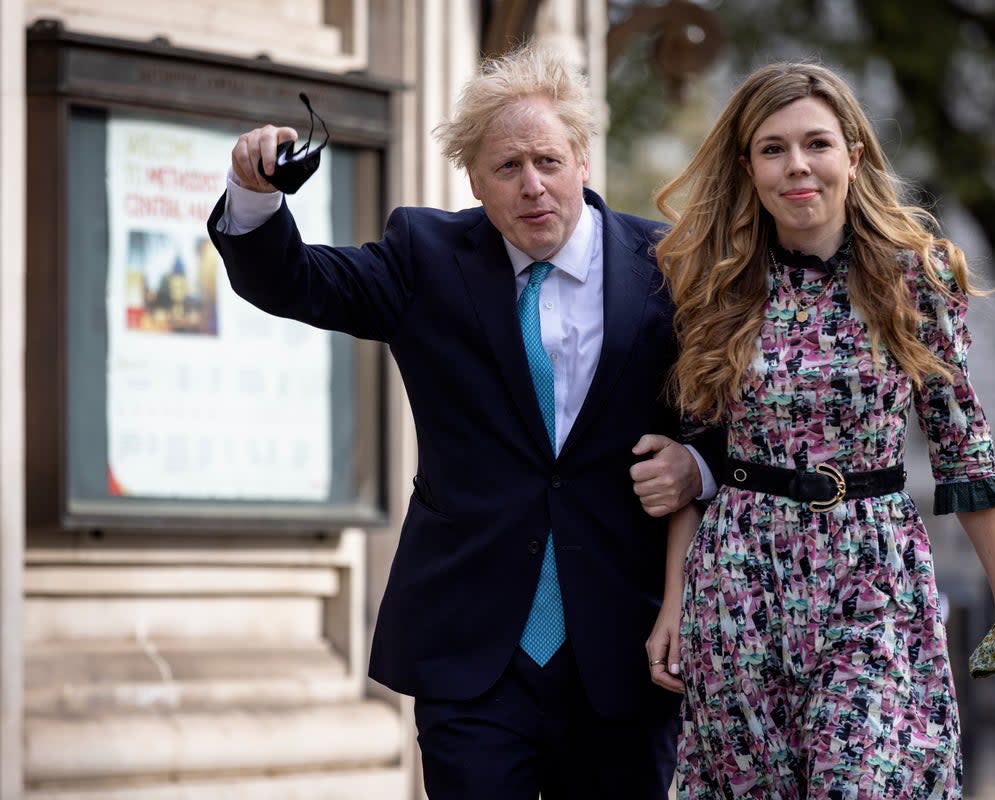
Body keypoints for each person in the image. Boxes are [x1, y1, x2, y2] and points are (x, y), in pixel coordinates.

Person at [208, 44, 721, 800]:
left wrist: (694, 465)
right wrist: (253, 195)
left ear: (582, 160)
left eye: (548, 159)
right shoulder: (427, 256)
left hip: (624, 646)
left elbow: (737, 412)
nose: (532, 185)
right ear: (475, 181)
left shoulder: (670, 266)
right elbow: (296, 282)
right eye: (506, 167)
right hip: (472, 652)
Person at [643, 62, 995, 799]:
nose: (797, 165)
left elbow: (963, 450)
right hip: (740, 578)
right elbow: (700, 463)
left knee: (859, 779)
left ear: (853, 155)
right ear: (749, 167)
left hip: (875, 572)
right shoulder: (717, 286)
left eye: (817, 144)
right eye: (773, 148)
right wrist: (674, 606)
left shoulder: (917, 278)